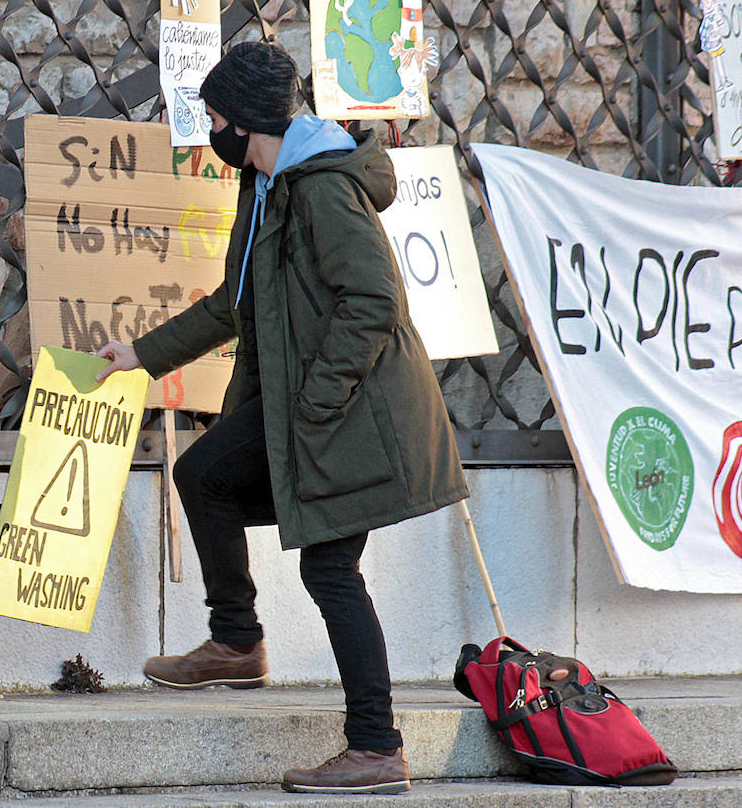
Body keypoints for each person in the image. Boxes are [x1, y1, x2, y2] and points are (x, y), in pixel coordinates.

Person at [96, 41, 469, 795]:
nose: (210, 131)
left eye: (215, 117)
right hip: (309, 406)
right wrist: (141, 354)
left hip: (354, 411)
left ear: (246, 122)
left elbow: (373, 302)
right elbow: (234, 302)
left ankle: (376, 747)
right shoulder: (264, 185)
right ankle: (236, 641)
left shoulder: (323, 187)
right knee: (203, 472)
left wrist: (316, 403)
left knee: (330, 570)